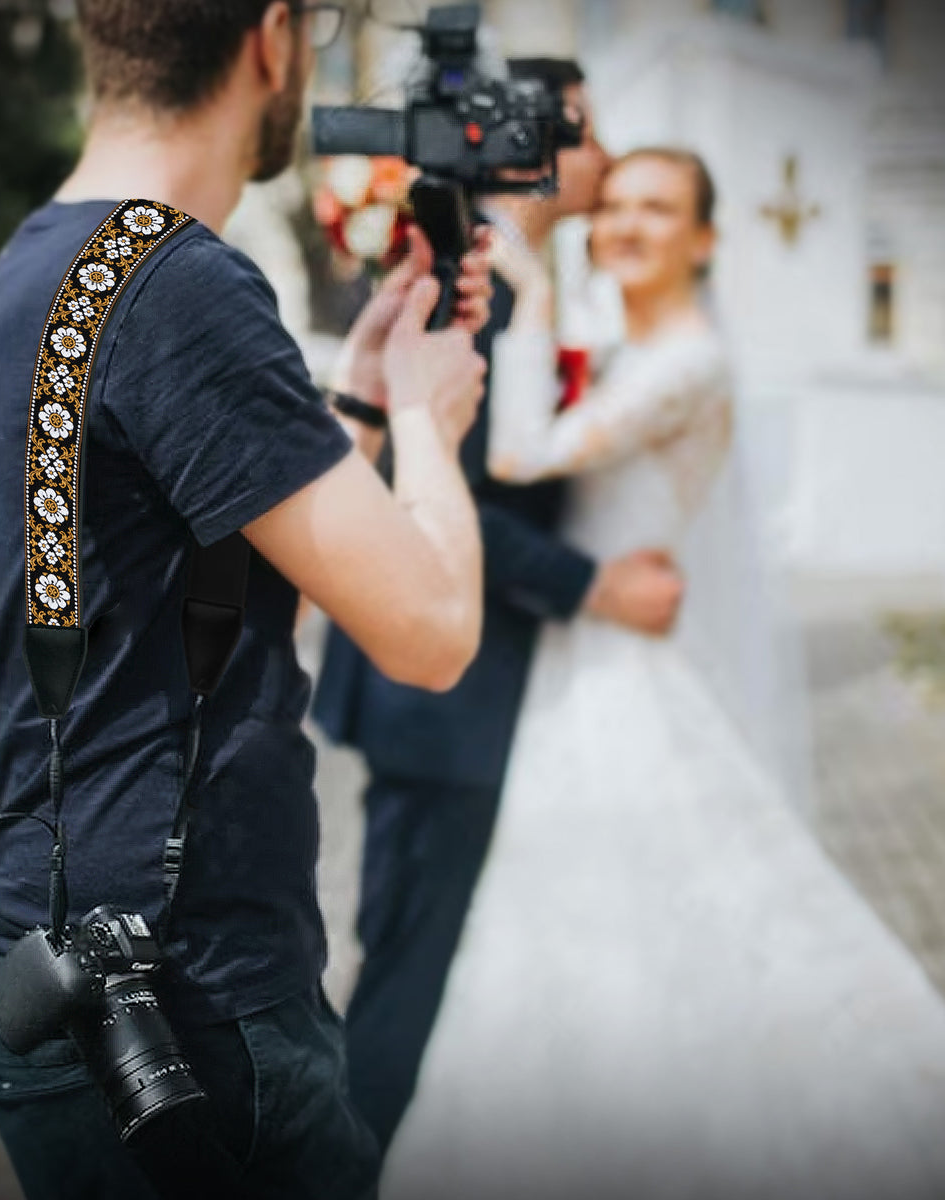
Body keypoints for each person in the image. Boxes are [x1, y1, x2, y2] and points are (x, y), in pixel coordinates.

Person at [0, 2, 496, 1197]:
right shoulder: (183, 285)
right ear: (272, 39)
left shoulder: (42, 268)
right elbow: (435, 634)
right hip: (196, 1016)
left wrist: (349, 409)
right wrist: (425, 418)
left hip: (62, 982)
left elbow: (207, 616)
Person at [383, 148, 945, 1199]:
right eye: (621, 205)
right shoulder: (635, 349)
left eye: (660, 208)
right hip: (585, 656)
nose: (627, 224)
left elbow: (516, 457)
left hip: (620, 674)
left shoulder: (689, 362)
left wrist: (535, 288)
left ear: (706, 239)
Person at [312, 58, 685, 1156]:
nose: (607, 159)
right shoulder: (487, 290)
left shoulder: (528, 281)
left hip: (490, 688)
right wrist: (593, 584)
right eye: (591, 133)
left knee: (433, 964)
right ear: (533, 144)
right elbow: (449, 490)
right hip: (443, 700)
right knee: (405, 977)